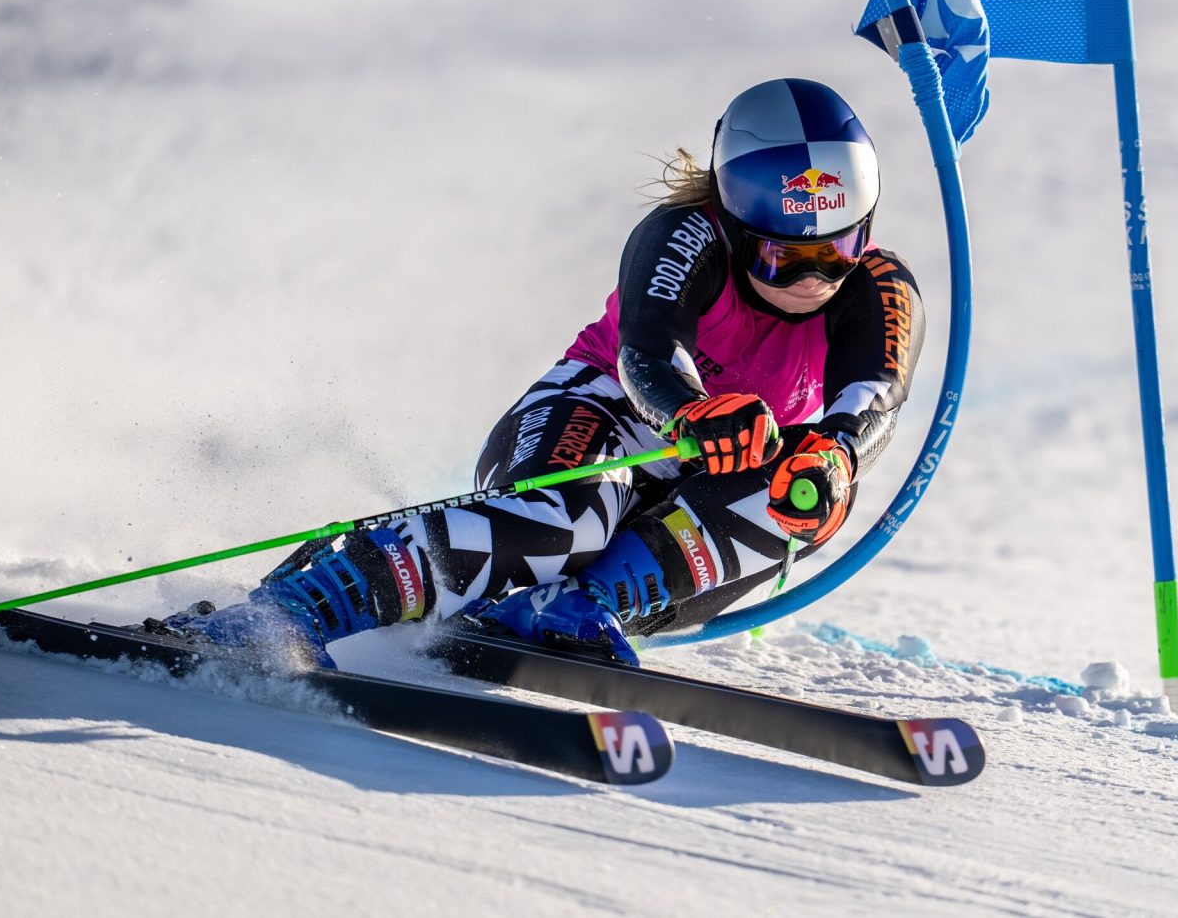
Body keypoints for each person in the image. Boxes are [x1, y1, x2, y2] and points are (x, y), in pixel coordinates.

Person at [157, 78, 923, 667]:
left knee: (815, 490)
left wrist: (839, 450)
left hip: (716, 479)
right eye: (784, 255)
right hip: (610, 416)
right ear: (734, 221)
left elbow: (873, 396)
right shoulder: (685, 235)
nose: (814, 277)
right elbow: (647, 352)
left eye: (839, 248)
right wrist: (689, 412)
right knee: (569, 523)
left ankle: (574, 609)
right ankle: (300, 604)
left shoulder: (880, 287)